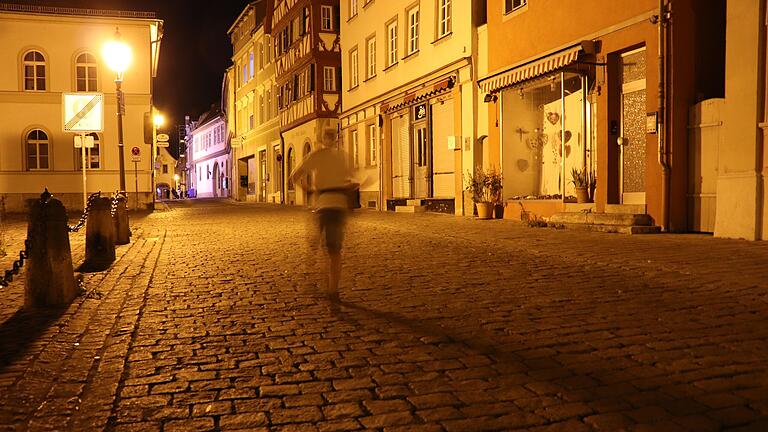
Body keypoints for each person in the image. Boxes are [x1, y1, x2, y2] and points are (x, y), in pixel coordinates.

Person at [291, 129, 356, 302]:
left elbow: (295, 176)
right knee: (335, 250)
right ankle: (333, 288)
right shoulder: (344, 156)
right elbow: (350, 181)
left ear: (321, 139)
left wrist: (309, 190)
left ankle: (316, 276)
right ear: (336, 139)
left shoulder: (316, 156)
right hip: (339, 205)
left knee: (319, 246)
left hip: (323, 204)